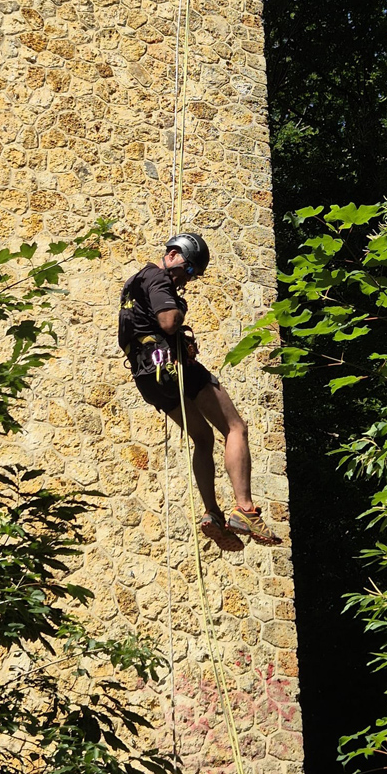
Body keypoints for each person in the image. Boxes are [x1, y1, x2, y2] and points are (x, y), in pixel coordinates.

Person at [118, 232, 281, 551]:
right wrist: (178, 309)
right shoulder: (158, 278)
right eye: (190, 271)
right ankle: (245, 509)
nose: (187, 280)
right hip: (171, 367)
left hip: (148, 379)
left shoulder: (134, 283)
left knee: (203, 438)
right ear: (176, 256)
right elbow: (167, 322)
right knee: (235, 427)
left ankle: (213, 514)